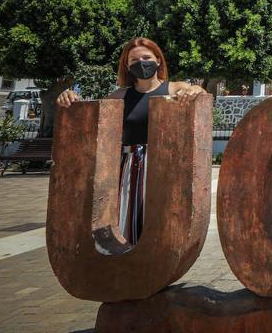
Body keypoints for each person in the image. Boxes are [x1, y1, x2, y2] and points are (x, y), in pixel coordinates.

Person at [56, 37, 206, 243]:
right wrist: (68, 97)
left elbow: (198, 94)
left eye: (146, 57)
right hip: (129, 168)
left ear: (158, 61)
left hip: (164, 167)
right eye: (134, 60)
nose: (141, 63)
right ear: (126, 66)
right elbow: (94, 119)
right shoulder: (119, 96)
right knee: (130, 219)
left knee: (164, 221)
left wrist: (196, 90)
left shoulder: (174, 89)